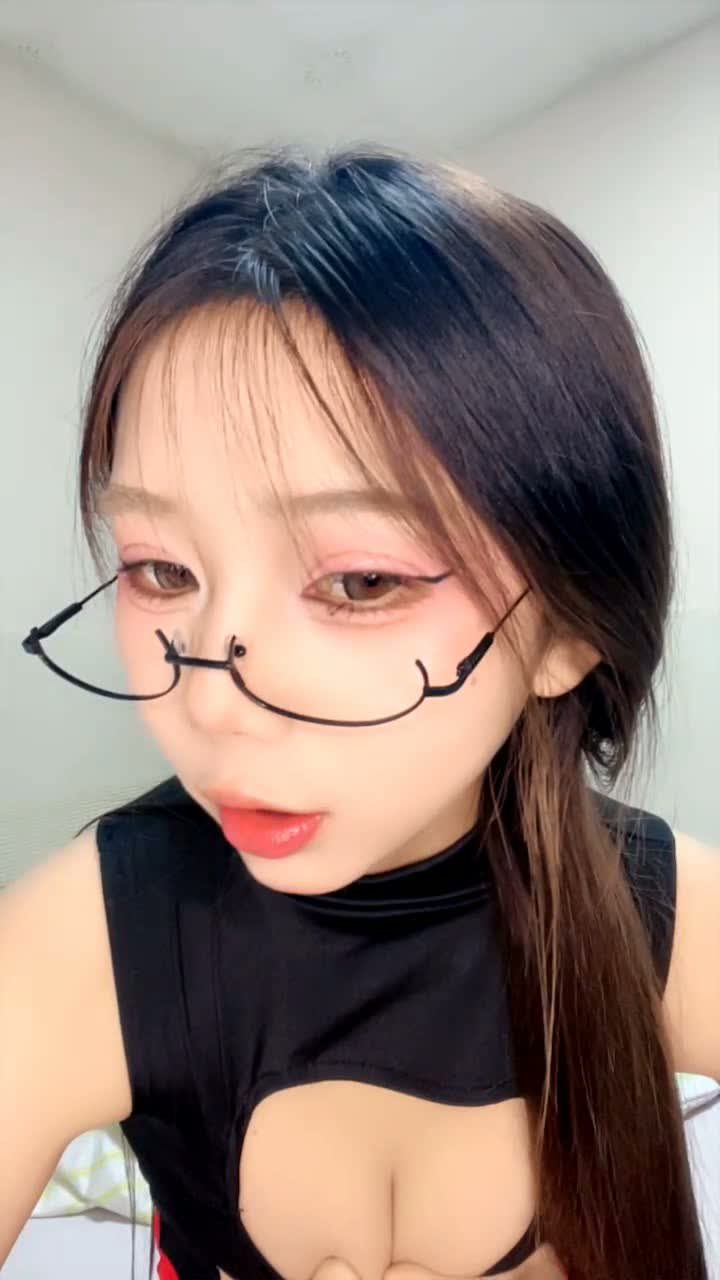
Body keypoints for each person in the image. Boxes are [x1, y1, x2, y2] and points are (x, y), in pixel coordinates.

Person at [2, 143, 719, 1280]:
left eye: (361, 580)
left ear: (568, 630)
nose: (209, 701)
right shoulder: (81, 942)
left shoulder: (668, 916)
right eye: (161, 570)